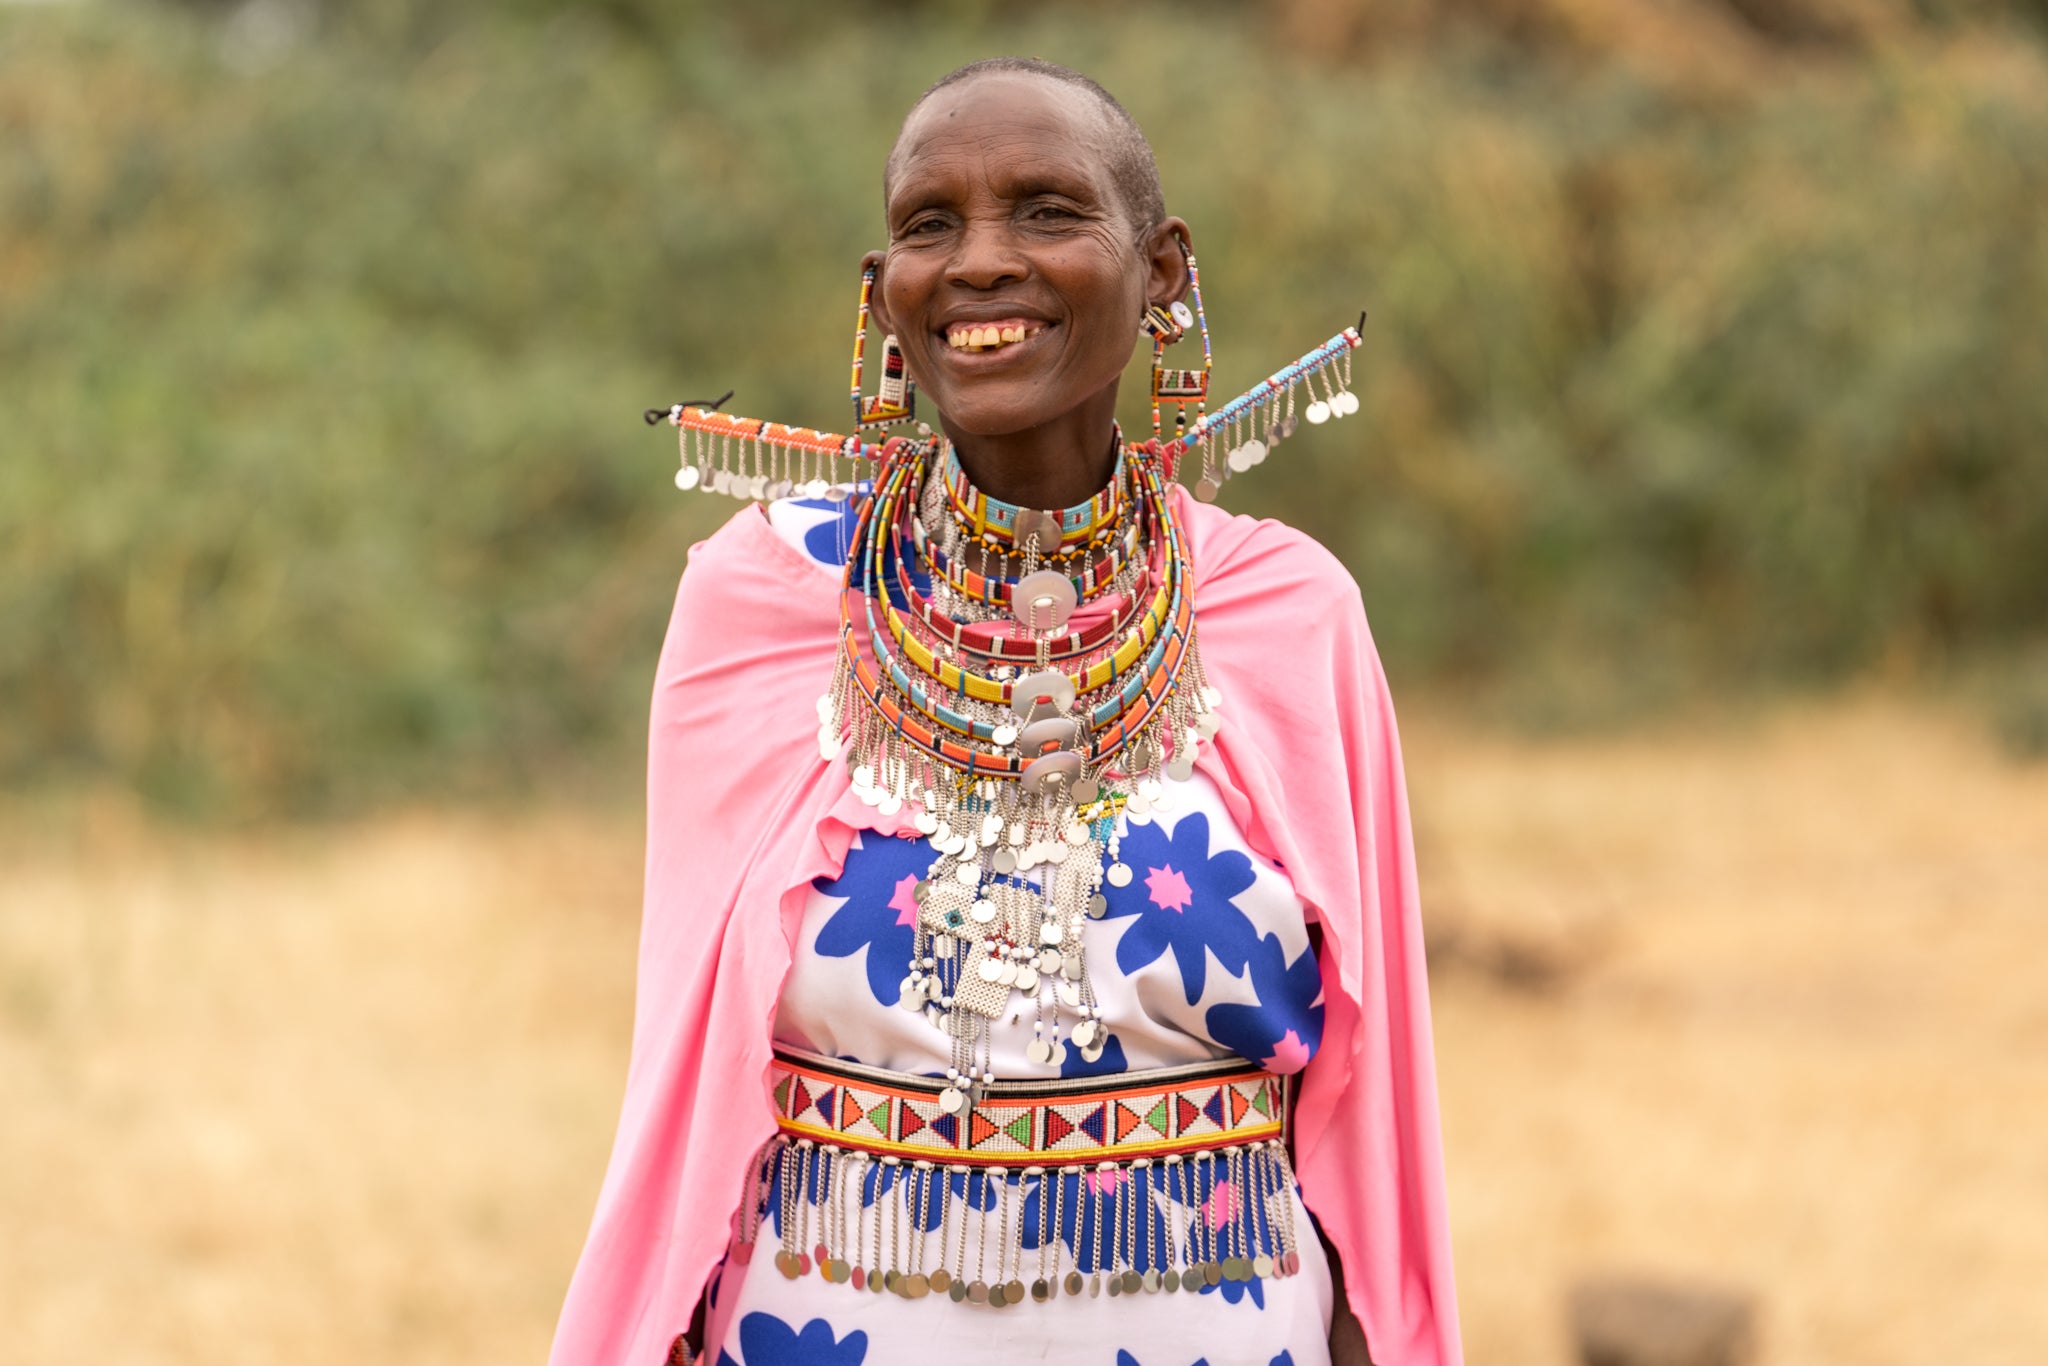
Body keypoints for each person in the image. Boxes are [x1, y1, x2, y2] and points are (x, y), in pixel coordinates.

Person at [550, 58, 1462, 1366]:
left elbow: (1370, 1110)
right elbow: (681, 1079)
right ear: (883, 295)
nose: (981, 262)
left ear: (1162, 272)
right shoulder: (761, 605)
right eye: (932, 224)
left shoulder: (1287, 612)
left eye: (1047, 210)